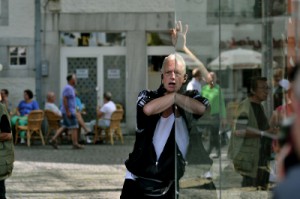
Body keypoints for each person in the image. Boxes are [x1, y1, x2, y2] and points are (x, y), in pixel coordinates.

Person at [120, 21, 212, 198]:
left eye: (177, 73)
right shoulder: (147, 95)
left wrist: (184, 50)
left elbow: (209, 85)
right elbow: (148, 110)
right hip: (138, 179)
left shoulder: (191, 98)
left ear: (185, 78)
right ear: (162, 77)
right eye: (168, 72)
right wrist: (175, 97)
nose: (172, 76)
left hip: (170, 182)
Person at [228, 76, 276, 190]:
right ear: (253, 90)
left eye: (267, 88)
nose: (266, 91)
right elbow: (239, 131)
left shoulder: (259, 106)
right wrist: (264, 133)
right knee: (249, 190)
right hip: (249, 161)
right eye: (263, 88)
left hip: (260, 158)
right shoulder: (245, 107)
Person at [201, 72, 226, 158]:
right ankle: (216, 150)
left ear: (215, 79)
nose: (212, 80)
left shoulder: (218, 89)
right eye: (210, 78)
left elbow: (222, 104)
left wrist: (224, 118)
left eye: (213, 78)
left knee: (213, 133)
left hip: (216, 115)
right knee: (211, 134)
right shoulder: (204, 89)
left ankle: (210, 150)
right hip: (206, 116)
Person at [59, 73, 83, 149]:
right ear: (71, 80)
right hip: (69, 111)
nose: (76, 80)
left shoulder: (71, 88)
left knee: (65, 126)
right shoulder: (68, 88)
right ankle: (75, 143)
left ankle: (53, 139)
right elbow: (65, 99)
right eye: (75, 79)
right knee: (75, 126)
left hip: (71, 110)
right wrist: (68, 111)